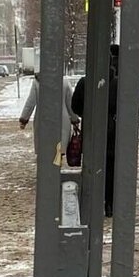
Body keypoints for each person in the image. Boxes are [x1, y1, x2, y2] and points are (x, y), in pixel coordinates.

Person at [72, 45, 120, 217]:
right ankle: (110, 203)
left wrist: (88, 113)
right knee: (111, 168)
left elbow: (75, 106)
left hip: (92, 130)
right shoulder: (117, 83)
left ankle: (92, 201)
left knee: (92, 166)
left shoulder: (85, 82)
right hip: (114, 131)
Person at [19, 72, 80, 155]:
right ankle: (57, 164)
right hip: (61, 121)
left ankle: (44, 166)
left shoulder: (37, 82)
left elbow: (31, 102)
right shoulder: (64, 82)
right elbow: (70, 104)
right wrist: (74, 120)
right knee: (58, 151)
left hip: (43, 121)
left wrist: (24, 119)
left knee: (44, 150)